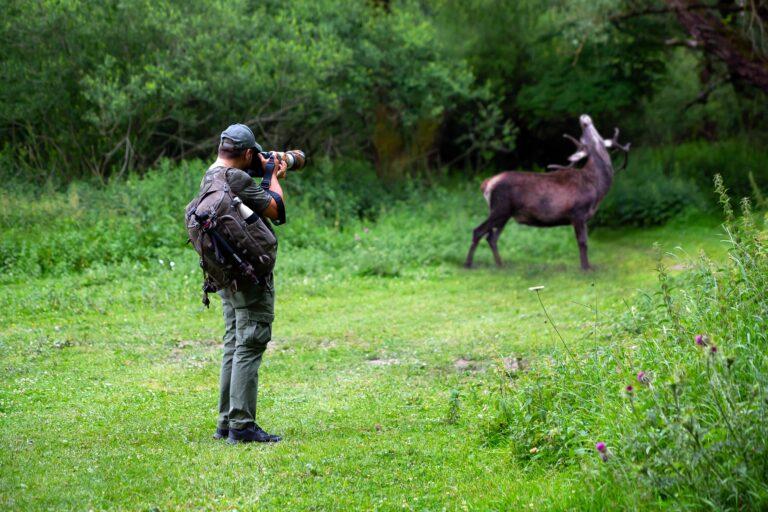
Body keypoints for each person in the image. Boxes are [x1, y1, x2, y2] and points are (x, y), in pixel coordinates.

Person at [206, 123, 286, 444]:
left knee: (234, 343)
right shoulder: (237, 179)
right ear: (249, 153)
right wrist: (271, 175)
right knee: (250, 342)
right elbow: (276, 209)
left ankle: (226, 422)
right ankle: (242, 425)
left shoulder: (211, 175)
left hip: (226, 272)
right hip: (249, 273)